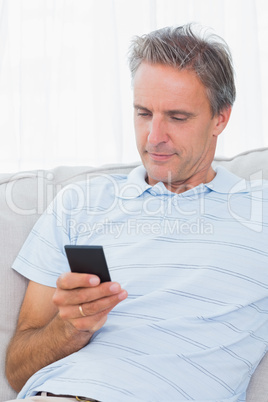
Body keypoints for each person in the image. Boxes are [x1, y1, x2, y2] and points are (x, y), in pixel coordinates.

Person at [5, 23, 268, 402]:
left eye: (177, 117)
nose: (153, 136)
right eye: (144, 113)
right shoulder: (80, 202)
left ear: (220, 118)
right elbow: (17, 370)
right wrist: (70, 329)